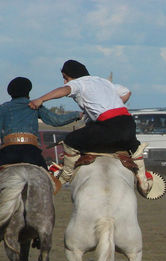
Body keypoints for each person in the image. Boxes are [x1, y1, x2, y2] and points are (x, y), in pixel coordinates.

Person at [0, 77, 80, 224]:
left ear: (10, 93)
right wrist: (77, 115)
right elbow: (56, 121)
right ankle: (45, 221)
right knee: (48, 182)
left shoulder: (4, 108)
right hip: (31, 153)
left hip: (8, 152)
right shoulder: (34, 105)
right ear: (28, 91)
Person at [29, 60, 151, 194]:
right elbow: (126, 92)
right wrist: (109, 106)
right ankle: (143, 178)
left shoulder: (79, 83)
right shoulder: (103, 81)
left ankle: (66, 175)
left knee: (70, 140)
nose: (65, 82)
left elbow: (64, 90)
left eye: (65, 77)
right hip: (128, 123)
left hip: (108, 126)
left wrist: (41, 99)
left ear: (72, 75)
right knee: (132, 145)